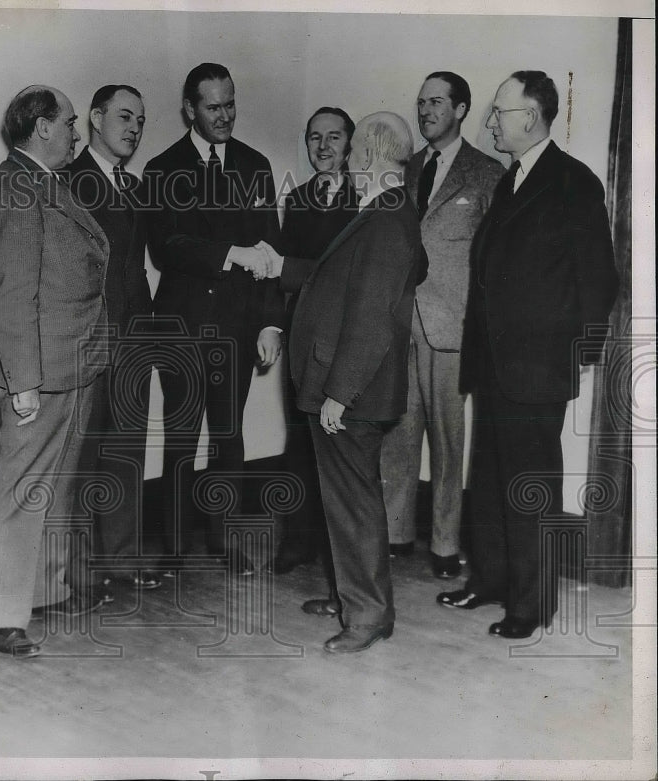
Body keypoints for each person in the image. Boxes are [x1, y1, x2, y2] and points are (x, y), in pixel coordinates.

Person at [438, 71, 618, 639]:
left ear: (531, 117)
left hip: (538, 366)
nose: (491, 121)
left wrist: (579, 353)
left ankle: (532, 606)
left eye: (499, 112)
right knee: (489, 479)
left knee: (529, 485)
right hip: (493, 364)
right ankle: (489, 581)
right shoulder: (511, 179)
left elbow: (599, 278)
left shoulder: (573, 181)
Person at [266, 112, 427, 653]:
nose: (350, 159)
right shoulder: (386, 212)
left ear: (370, 154)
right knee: (347, 501)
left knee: (354, 502)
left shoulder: (385, 218)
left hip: (350, 391)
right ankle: (352, 597)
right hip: (349, 385)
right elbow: (340, 280)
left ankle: (367, 615)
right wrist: (279, 268)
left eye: (357, 149)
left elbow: (370, 317)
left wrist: (340, 391)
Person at [0, 85, 111, 659]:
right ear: (42, 128)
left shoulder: (46, 183)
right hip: (39, 369)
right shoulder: (15, 187)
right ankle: (1, 614)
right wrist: (23, 381)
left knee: (53, 488)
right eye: (72, 122)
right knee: (21, 488)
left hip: (73, 363)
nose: (78, 132)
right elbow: (9, 298)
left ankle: (42, 591)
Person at [144, 62, 284, 576]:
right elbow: (167, 247)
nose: (224, 115)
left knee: (229, 436)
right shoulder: (162, 169)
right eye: (212, 106)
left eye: (230, 104)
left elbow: (271, 251)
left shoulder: (256, 165)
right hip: (182, 325)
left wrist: (270, 323)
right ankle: (175, 549)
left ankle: (230, 544)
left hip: (238, 325)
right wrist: (231, 253)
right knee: (181, 438)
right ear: (189, 109)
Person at [379, 72, 503, 577]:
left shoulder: (487, 173)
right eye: (421, 101)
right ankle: (395, 534)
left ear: (461, 109)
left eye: (437, 102)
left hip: (451, 329)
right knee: (397, 435)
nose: (426, 110)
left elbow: (495, 258)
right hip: (397, 324)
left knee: (450, 444)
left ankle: (446, 544)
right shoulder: (402, 169)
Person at [65, 85, 161, 592]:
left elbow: (138, 268)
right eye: (125, 117)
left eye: (141, 120)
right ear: (95, 119)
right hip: (88, 343)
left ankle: (122, 561)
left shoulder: (138, 187)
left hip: (133, 340)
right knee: (82, 458)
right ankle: (79, 576)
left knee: (126, 452)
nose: (134, 128)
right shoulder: (68, 181)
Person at [267, 106, 360, 579]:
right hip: (304, 339)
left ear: (351, 142)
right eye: (314, 138)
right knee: (300, 441)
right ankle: (297, 542)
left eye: (334, 137)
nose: (323, 147)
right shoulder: (298, 199)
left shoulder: (368, 198)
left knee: (340, 446)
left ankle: (337, 550)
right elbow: (285, 271)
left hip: (345, 342)